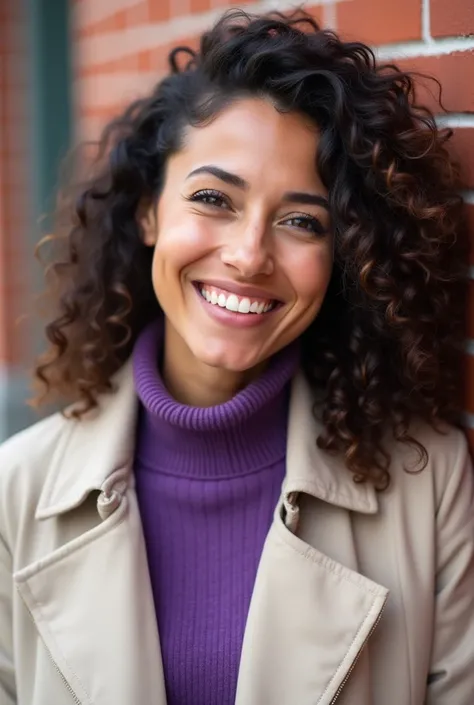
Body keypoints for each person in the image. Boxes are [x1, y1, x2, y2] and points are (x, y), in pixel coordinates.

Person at [0, 8, 473, 705]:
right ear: (149, 210)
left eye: (301, 221)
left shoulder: (428, 486)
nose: (250, 255)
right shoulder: (18, 489)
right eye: (213, 198)